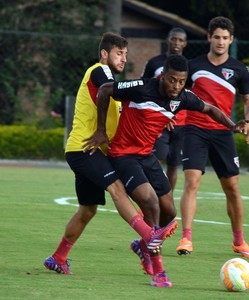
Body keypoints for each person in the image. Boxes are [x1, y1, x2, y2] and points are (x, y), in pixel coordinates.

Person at [84, 54, 247, 287]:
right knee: (150, 203)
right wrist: (101, 130)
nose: (176, 86)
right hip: (123, 155)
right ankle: (158, 271)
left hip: (146, 157)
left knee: (169, 213)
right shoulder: (141, 88)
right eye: (172, 80)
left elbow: (210, 109)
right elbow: (105, 90)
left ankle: (142, 244)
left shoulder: (182, 97)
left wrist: (232, 125)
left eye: (181, 81)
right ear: (162, 76)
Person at [43, 32, 177, 276]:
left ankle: (57, 258)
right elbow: (108, 87)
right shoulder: (100, 71)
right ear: (104, 54)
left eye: (126, 54)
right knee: (117, 188)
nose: (124, 58)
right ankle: (148, 236)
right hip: (84, 149)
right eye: (119, 53)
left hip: (89, 150)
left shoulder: (115, 90)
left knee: (87, 210)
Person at [176, 16, 249, 259]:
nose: (220, 42)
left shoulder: (240, 70)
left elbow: (248, 102)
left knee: (232, 188)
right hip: (195, 130)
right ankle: (186, 238)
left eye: (225, 38)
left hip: (224, 133)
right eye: (216, 37)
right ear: (208, 38)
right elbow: (176, 92)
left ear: (231, 40)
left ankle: (239, 242)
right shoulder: (192, 66)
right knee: (192, 182)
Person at [141, 27, 188, 191]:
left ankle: (167, 202)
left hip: (180, 123)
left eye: (181, 40)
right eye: (174, 39)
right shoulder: (154, 63)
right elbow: (144, 87)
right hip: (159, 121)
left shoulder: (187, 67)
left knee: (174, 165)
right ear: (168, 40)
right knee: (155, 160)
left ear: (185, 43)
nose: (177, 43)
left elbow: (190, 96)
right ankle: (151, 197)